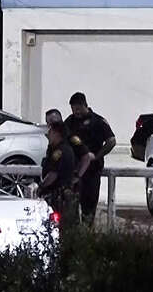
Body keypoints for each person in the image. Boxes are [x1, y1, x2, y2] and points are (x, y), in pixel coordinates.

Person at [65, 92, 115, 224]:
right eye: (73, 109)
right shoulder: (70, 121)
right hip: (74, 172)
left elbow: (111, 141)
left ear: (84, 105)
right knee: (71, 209)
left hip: (91, 172)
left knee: (89, 209)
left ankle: (87, 236)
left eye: (78, 108)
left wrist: (97, 156)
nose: (76, 112)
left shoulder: (97, 121)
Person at [39, 120, 93, 226]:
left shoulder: (59, 151)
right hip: (65, 194)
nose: (48, 135)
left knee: (58, 224)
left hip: (60, 194)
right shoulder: (60, 148)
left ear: (56, 134)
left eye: (50, 132)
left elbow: (53, 174)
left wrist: (41, 186)